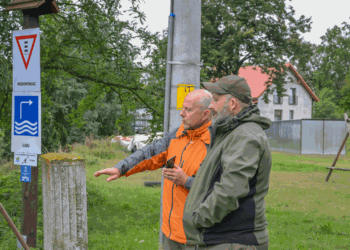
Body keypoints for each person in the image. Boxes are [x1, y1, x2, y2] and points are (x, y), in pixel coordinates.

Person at [94, 89, 213, 250]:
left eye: (188, 110)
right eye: (183, 108)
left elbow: (222, 188)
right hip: (170, 233)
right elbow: (148, 153)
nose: (181, 113)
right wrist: (120, 169)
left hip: (198, 237)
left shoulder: (215, 143)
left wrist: (187, 181)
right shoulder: (177, 135)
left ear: (205, 114)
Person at [182, 75, 272, 250]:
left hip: (232, 240)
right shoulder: (230, 132)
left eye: (216, 100)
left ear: (232, 104)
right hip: (221, 237)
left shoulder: (245, 135)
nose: (211, 106)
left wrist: (199, 218)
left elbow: (231, 189)